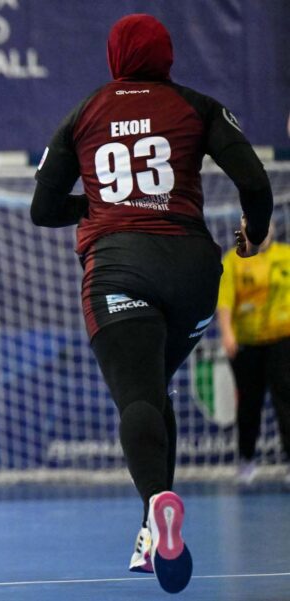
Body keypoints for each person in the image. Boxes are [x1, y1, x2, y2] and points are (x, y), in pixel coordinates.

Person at [30, 14, 273, 594]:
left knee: (137, 396)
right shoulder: (198, 106)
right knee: (154, 388)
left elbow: (43, 208)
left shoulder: (83, 114)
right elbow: (256, 183)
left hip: (120, 266)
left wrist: (92, 207)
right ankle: (150, 530)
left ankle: (157, 500)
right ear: (167, 55)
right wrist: (254, 233)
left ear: (114, 56)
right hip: (193, 271)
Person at [216, 222, 290, 484]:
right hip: (248, 342)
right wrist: (227, 333)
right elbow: (225, 301)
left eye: (265, 226)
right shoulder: (234, 260)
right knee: (249, 403)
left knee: (286, 400)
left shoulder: (286, 255)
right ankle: (246, 460)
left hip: (283, 339)